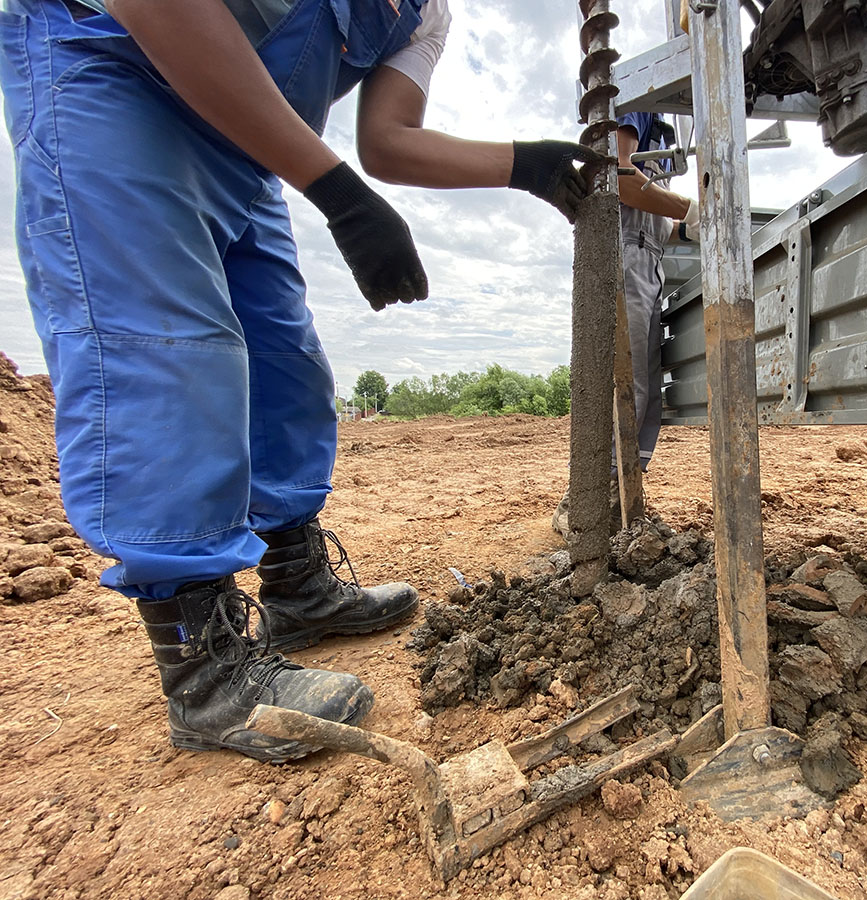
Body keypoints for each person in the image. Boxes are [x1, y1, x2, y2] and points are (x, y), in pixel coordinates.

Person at [0, 0, 599, 762]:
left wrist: (527, 163)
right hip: (115, 72)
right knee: (170, 354)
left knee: (287, 364)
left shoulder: (425, 14)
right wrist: (337, 194)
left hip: (251, 149)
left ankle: (296, 587)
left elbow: (389, 140)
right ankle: (204, 675)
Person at [552, 110, 696, 539]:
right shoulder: (641, 108)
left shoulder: (667, 135)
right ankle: (589, 501)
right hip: (625, 256)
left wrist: (686, 226)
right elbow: (619, 178)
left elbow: (656, 221)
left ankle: (625, 490)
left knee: (645, 392)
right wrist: (690, 208)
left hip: (648, 260)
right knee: (625, 382)